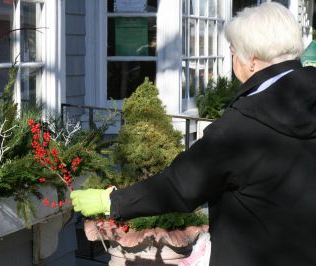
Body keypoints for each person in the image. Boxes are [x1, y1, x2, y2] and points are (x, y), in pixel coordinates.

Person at [71, 2, 316, 265]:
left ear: (252, 60)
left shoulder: (240, 128)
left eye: (233, 51)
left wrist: (112, 201)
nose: (233, 60)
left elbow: (179, 185)